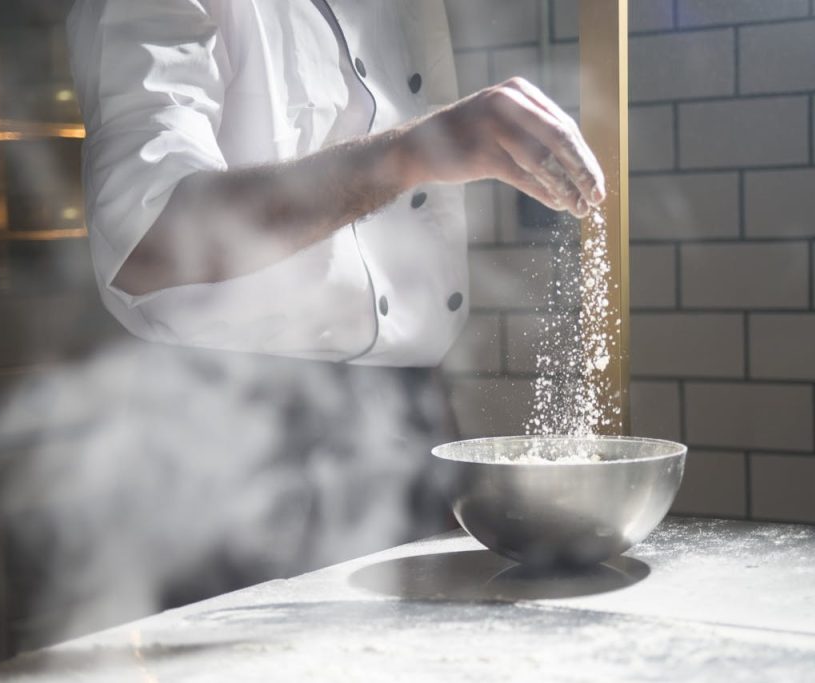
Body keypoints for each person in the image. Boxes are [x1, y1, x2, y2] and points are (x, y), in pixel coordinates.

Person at [60, 0, 605, 611]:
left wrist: (443, 472)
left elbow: (394, 303)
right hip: (231, 447)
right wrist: (411, 153)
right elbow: (149, 235)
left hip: (405, 431)